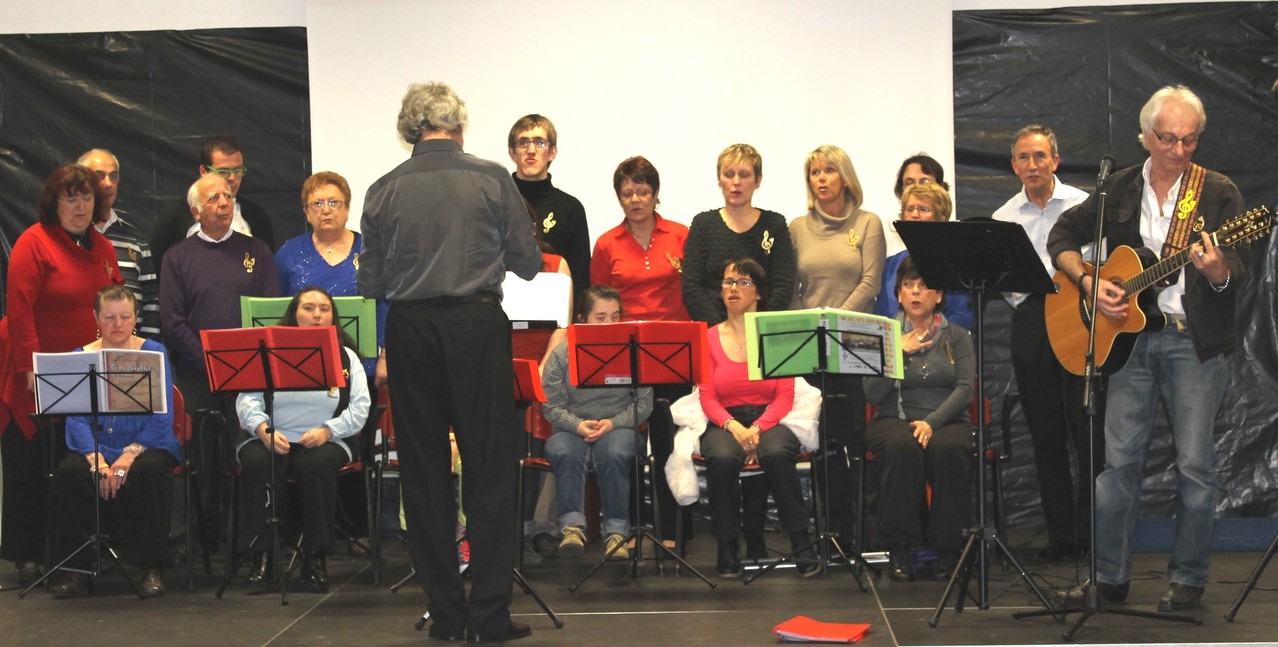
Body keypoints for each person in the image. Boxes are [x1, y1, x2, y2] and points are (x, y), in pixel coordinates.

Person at [1050, 85, 1246, 612]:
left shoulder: (1218, 191)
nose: (1178, 150)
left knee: (1195, 466)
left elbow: (1237, 272)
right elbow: (1062, 239)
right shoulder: (1116, 188)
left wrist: (1217, 270)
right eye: (1167, 138)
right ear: (1145, 136)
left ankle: (1187, 581)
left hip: (1192, 344)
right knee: (1117, 467)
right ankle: (1108, 579)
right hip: (1128, 344)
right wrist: (1089, 282)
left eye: (1189, 140)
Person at [358, 81, 541, 643]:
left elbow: (372, 282)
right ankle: (489, 615)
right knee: (488, 468)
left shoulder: (382, 189)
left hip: (411, 330)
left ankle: (445, 615)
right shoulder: (491, 177)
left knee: (423, 472)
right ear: (458, 126)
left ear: (410, 130)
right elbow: (528, 263)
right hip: (475, 325)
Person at [0, 165, 123, 585]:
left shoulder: (104, 249)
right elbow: (19, 311)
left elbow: (116, 306)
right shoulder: (33, 243)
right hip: (36, 372)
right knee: (31, 465)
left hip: (89, 374)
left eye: (86, 197)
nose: (80, 206)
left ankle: (72, 551)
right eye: (70, 198)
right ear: (54, 203)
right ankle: (28, 555)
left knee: (73, 464)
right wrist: (31, 368)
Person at [991, 124, 1098, 563]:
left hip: (1079, 317)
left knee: (1086, 429)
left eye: (1039, 156)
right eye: (1022, 158)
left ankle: (1094, 538)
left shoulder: (1085, 206)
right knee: (1046, 433)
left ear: (1055, 160)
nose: (1031, 165)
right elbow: (1007, 284)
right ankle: (1063, 539)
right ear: (1014, 165)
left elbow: (1102, 263)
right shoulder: (1003, 217)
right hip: (1033, 319)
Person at [45, 285, 178, 598]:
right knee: (69, 473)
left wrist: (128, 456)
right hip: (96, 449)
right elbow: (75, 419)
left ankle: (151, 567)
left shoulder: (154, 352)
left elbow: (163, 417)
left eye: (124, 317)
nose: (117, 324)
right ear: (96, 318)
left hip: (146, 446)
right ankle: (76, 570)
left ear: (135, 319)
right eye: (109, 317)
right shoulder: (81, 356)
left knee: (149, 472)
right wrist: (96, 458)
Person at [234, 287, 370, 593]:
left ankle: (315, 557)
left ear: (334, 317)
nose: (317, 315)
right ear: (294, 314)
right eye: (309, 308)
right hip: (272, 437)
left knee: (316, 466)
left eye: (324, 308)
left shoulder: (347, 357)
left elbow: (360, 408)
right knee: (259, 462)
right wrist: (262, 430)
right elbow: (247, 401)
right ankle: (263, 558)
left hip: (327, 439)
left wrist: (328, 431)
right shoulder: (266, 352)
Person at [590, 156, 690, 547]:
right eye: (627, 192)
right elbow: (597, 304)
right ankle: (629, 528)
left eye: (643, 191)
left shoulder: (681, 235)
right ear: (619, 197)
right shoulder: (606, 244)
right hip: (623, 359)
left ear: (655, 194)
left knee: (668, 443)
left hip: (672, 356)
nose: (635, 199)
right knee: (626, 444)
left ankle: (669, 531)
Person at [788, 144, 885, 549]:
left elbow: (870, 283)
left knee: (852, 440)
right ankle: (829, 530)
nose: (821, 178)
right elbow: (793, 288)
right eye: (815, 172)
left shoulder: (868, 224)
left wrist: (834, 324)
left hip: (855, 342)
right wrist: (812, 328)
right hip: (810, 347)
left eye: (829, 170)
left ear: (845, 177)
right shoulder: (795, 227)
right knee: (822, 441)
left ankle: (856, 531)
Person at [699, 258, 817, 578]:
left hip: (771, 417)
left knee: (777, 453)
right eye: (728, 282)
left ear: (760, 293)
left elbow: (785, 397)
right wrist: (736, 428)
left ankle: (800, 539)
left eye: (744, 282)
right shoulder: (707, 338)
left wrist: (758, 428)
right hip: (726, 420)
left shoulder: (777, 333)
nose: (734, 288)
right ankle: (727, 545)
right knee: (721, 457)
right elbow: (707, 397)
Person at [864, 256, 975, 582]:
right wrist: (897, 352)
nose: (915, 293)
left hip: (946, 420)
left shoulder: (957, 336)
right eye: (908, 286)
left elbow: (966, 390)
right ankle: (900, 546)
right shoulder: (880, 336)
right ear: (898, 295)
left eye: (924, 286)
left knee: (949, 448)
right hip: (893, 419)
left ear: (938, 295)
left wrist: (933, 422)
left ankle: (947, 548)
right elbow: (871, 392)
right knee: (902, 447)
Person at [541, 286, 652, 559]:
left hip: (618, 426)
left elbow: (645, 403)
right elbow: (550, 404)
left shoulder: (632, 351)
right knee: (564, 451)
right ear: (582, 319)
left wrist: (612, 423)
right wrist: (577, 425)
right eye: (600, 317)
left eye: (615, 317)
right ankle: (572, 529)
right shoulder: (562, 355)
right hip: (572, 427)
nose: (609, 324)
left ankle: (616, 533)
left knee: (613, 452)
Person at [275, 171, 388, 383]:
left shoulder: (370, 250)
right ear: (306, 212)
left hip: (363, 366)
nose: (326, 210)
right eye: (317, 204)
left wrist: (386, 355)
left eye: (334, 202)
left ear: (347, 209)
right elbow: (278, 309)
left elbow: (385, 304)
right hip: (303, 365)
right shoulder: (288, 253)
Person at [682, 143, 796, 325]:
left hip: (762, 332)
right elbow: (692, 287)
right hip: (714, 332)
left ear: (758, 180)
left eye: (744, 175)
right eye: (729, 174)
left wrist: (756, 327)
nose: (736, 182)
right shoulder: (703, 224)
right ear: (719, 179)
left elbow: (783, 285)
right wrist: (721, 331)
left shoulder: (774, 224)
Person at [152, 136, 277, 270]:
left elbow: (267, 269)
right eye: (223, 172)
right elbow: (162, 271)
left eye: (237, 170)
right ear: (204, 171)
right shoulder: (174, 216)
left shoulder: (256, 216)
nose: (232, 178)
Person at [78, 149, 162, 341]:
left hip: (130, 354)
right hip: (80, 350)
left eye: (113, 176)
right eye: (99, 175)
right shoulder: (68, 237)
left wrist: (146, 349)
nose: (108, 184)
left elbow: (151, 303)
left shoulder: (136, 239)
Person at [509, 114, 591, 297]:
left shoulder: (571, 208)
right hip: (503, 315)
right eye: (523, 143)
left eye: (540, 142)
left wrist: (570, 323)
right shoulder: (496, 203)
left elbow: (580, 278)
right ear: (512, 152)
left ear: (552, 152)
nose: (531, 150)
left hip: (556, 316)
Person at [874, 183, 974, 329]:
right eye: (909, 209)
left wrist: (929, 336)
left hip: (942, 345)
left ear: (942, 219)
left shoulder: (955, 263)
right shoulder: (891, 265)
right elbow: (882, 315)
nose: (914, 215)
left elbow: (963, 315)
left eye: (923, 209)